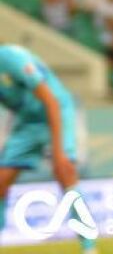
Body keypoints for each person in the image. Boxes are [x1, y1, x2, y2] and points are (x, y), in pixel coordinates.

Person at [0, 44, 96, 254]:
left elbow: (50, 101)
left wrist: (59, 153)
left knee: (65, 171)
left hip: (57, 109)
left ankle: (89, 247)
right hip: (27, 121)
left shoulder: (11, 58)